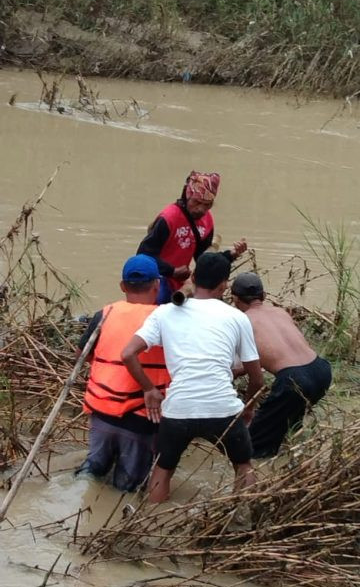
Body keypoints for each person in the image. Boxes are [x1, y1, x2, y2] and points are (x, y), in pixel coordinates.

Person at [121, 253, 264, 504]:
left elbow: (127, 353)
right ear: (225, 286)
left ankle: (150, 523)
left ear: (193, 278)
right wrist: (248, 408)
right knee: (243, 465)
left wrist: (149, 389)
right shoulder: (237, 318)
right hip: (223, 408)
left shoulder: (165, 313)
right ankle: (244, 518)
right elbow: (257, 379)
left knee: (163, 469)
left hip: (178, 409)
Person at [75, 255, 170, 491]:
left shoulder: (104, 314)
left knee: (92, 470)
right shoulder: (167, 319)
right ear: (157, 285)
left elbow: (82, 355)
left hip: (101, 411)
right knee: (127, 486)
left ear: (122, 286)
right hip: (142, 417)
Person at [231, 272, 332, 459]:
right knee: (288, 426)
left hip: (294, 380)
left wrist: (248, 408)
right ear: (264, 296)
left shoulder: (242, 322)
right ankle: (295, 459)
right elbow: (280, 350)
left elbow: (257, 381)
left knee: (251, 446)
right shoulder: (280, 312)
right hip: (322, 370)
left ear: (235, 299)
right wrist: (242, 369)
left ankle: (264, 477)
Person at [136, 171, 247, 303]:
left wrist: (231, 254)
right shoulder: (168, 218)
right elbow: (143, 256)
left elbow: (204, 258)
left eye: (207, 205)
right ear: (187, 196)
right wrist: (172, 271)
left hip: (182, 282)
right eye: (196, 202)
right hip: (160, 280)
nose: (200, 209)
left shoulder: (207, 221)